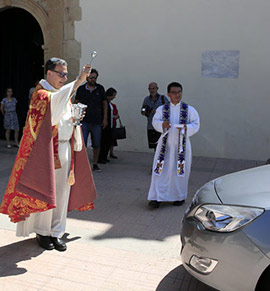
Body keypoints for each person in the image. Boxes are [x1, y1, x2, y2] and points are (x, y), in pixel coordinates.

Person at [0, 57, 97, 251]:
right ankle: (43, 232)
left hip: (65, 148)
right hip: (47, 151)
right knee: (46, 190)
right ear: (49, 73)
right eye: (61, 74)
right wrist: (78, 81)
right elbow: (53, 105)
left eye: (66, 74)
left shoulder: (61, 94)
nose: (64, 77)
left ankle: (56, 231)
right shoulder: (42, 94)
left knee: (62, 191)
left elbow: (63, 111)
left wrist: (75, 119)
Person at [147, 82, 200, 208]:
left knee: (180, 172)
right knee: (160, 172)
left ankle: (178, 196)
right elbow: (155, 121)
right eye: (174, 92)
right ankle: (156, 197)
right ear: (168, 94)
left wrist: (186, 127)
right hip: (165, 147)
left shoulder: (189, 110)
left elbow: (196, 124)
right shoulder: (162, 109)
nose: (177, 95)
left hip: (181, 147)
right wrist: (162, 125)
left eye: (179, 92)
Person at [75, 69, 108, 172]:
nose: (93, 79)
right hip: (83, 121)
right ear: (87, 78)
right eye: (91, 77)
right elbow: (76, 102)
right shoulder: (81, 89)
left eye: (95, 77)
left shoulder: (100, 89)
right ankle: (82, 165)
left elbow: (105, 104)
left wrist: (105, 118)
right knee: (82, 144)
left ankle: (95, 164)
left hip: (97, 121)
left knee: (97, 144)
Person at [141, 82, 168, 150]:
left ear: (157, 89)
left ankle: (162, 160)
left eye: (153, 88)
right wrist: (144, 111)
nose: (152, 90)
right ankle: (157, 160)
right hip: (151, 126)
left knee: (162, 146)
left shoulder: (163, 98)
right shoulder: (146, 99)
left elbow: (169, 110)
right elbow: (142, 111)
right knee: (154, 146)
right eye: (150, 89)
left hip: (161, 127)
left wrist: (158, 112)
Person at [98, 87, 118, 163]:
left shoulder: (110, 104)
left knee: (108, 142)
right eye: (114, 95)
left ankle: (105, 156)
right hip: (105, 126)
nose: (114, 97)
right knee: (103, 142)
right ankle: (101, 157)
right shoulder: (104, 102)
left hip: (111, 125)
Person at [110, 92, 119, 159]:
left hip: (113, 124)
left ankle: (111, 152)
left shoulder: (114, 106)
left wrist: (115, 116)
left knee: (112, 140)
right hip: (108, 125)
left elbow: (117, 115)